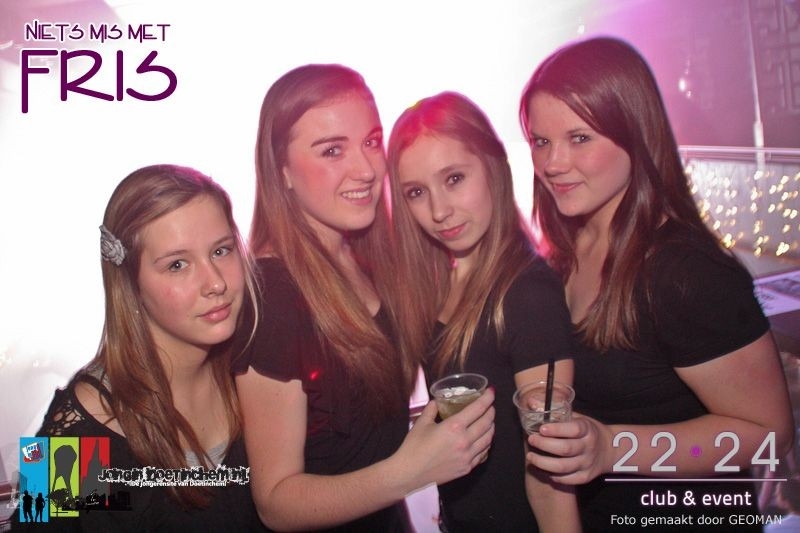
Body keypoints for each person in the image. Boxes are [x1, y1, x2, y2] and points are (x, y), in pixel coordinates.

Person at [518, 36, 794, 531]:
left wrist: (614, 448)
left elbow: (768, 436)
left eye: (579, 138)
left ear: (635, 133)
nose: (553, 163)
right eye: (541, 141)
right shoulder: (562, 252)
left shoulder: (686, 273)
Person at [233, 64, 495, 532]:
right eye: (333, 150)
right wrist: (410, 472)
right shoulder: (272, 297)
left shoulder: (367, 259)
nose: (368, 169)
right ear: (282, 170)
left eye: (371, 142)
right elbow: (276, 502)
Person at [32, 164, 267, 531]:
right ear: (131, 283)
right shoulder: (82, 426)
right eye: (177, 265)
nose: (215, 283)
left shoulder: (256, 372)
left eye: (221, 251)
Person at [386, 91, 577, 532]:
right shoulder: (441, 284)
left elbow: (551, 477)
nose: (439, 211)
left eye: (454, 179)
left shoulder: (528, 294)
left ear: (495, 166)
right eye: (417, 192)